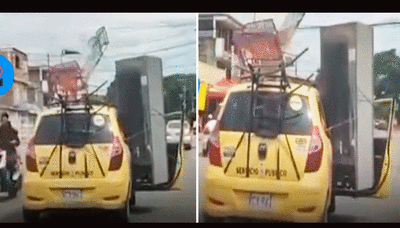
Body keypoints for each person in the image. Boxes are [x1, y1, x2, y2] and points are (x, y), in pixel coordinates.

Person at [0, 112, 20, 181]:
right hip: (3, 152)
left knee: (16, 164)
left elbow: (17, 141)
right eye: (3, 119)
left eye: (5, 119)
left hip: (11, 152)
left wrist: (13, 142)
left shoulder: (12, 130)